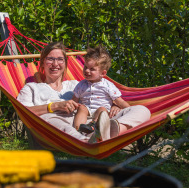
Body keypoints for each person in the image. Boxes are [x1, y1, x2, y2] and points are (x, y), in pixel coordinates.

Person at [17, 42, 150, 143]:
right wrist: (54, 106)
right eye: (50, 59)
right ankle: (85, 143)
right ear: (42, 63)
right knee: (47, 119)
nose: (55, 63)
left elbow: (102, 96)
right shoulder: (31, 88)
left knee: (142, 110)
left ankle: (109, 132)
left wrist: (115, 105)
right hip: (62, 127)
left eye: (60, 59)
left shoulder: (76, 84)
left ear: (65, 64)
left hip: (93, 123)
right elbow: (23, 112)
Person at [72, 45, 130, 139]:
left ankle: (94, 125)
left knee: (102, 109)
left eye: (92, 69)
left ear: (103, 73)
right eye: (85, 67)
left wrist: (129, 110)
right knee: (81, 107)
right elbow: (74, 101)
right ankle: (78, 129)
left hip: (102, 111)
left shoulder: (108, 85)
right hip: (87, 110)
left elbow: (120, 101)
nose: (86, 71)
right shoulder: (81, 85)